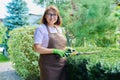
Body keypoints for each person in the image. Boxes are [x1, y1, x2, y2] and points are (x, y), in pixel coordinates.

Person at [34, 5, 67, 80]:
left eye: (54, 14)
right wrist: (54, 50)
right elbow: (37, 48)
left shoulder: (59, 29)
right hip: (48, 67)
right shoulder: (41, 28)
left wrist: (67, 49)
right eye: (49, 14)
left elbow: (61, 46)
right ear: (45, 16)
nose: (52, 17)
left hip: (62, 65)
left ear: (57, 16)